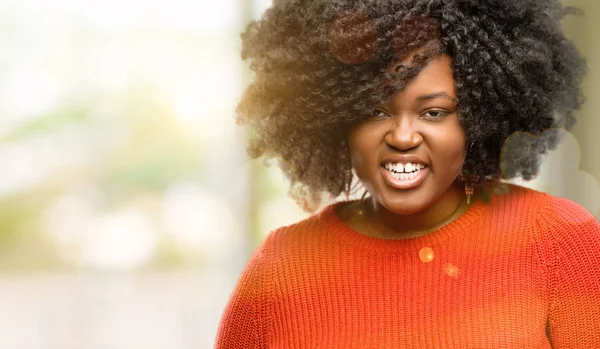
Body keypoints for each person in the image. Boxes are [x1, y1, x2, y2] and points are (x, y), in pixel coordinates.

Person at [216, 0, 600, 347]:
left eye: (434, 112)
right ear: (336, 120)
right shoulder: (279, 268)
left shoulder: (559, 240)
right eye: (374, 111)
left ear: (478, 119)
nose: (402, 137)